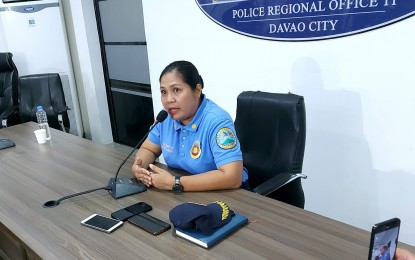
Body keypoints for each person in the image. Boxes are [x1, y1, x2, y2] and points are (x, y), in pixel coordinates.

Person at [132, 60, 248, 192]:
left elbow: (232, 177)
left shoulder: (217, 121)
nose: (169, 99)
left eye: (176, 90)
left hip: (225, 195)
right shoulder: (165, 118)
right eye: (163, 92)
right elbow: (149, 149)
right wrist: (139, 167)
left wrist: (174, 183)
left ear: (197, 90)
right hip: (185, 192)